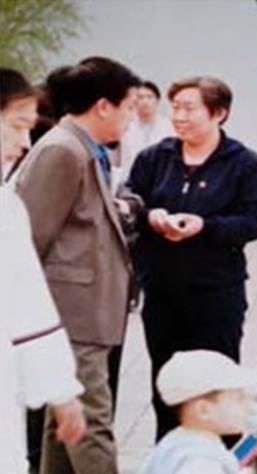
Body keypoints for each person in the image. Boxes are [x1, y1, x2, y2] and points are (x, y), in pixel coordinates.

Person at [127, 76, 257, 440]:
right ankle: (169, 453)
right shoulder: (155, 158)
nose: (179, 117)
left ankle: (220, 456)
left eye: (189, 109)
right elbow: (130, 202)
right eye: (175, 108)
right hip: (162, 291)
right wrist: (152, 216)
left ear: (219, 113)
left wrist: (205, 226)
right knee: (167, 382)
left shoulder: (243, 163)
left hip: (216, 292)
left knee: (216, 382)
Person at [16, 57, 140, 474]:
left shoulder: (85, 149)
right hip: (71, 315)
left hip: (86, 315)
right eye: (128, 107)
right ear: (103, 106)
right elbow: (27, 239)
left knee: (67, 425)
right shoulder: (62, 150)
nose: (131, 118)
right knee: (91, 425)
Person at [0, 68, 86, 474]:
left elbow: (26, 300)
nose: (24, 143)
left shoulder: (6, 208)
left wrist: (61, 389)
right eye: (17, 126)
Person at [142, 350, 257, 474]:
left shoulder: (175, 442)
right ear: (204, 410)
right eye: (239, 398)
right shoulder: (202, 460)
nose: (247, 404)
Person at [118, 80, 174, 181]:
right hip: (130, 178)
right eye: (140, 97)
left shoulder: (169, 126)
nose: (145, 101)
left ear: (157, 100)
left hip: (160, 179)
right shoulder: (125, 125)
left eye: (149, 97)